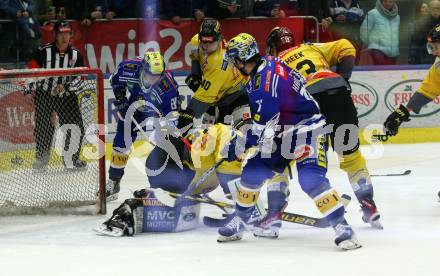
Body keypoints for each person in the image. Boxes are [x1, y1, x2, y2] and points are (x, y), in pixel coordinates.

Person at [217, 33, 361, 250]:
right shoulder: (269, 63)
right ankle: (241, 220)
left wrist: (238, 147)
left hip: (308, 130)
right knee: (253, 171)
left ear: (241, 59)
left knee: (310, 178)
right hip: (283, 132)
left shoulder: (263, 84)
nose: (233, 66)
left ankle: (343, 227)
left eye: (234, 60)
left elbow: (262, 128)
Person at [265, 26, 383, 229]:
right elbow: (346, 47)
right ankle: (368, 204)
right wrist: (343, 77)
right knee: (350, 155)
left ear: (272, 47)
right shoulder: (311, 47)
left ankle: (274, 210)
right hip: (339, 94)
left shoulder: (273, 63)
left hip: (310, 102)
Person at [105, 51, 180, 201]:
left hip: (158, 112)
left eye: (158, 75)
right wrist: (121, 100)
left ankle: (160, 187)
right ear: (143, 69)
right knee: (121, 142)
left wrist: (168, 131)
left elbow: (173, 116)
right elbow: (114, 81)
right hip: (134, 107)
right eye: (150, 75)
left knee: (165, 147)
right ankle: (113, 182)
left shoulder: (168, 87)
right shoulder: (128, 68)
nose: (154, 79)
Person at [24, 20, 86, 171]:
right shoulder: (43, 52)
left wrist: (66, 87)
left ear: (71, 34)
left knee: (75, 127)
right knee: (43, 127)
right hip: (45, 94)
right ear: (55, 35)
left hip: (67, 96)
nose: (64, 37)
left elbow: (81, 78)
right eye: (60, 33)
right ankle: (41, 160)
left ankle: (71, 160)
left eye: (67, 33)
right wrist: (27, 90)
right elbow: (31, 72)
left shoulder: (76, 55)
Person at [179, 18, 250, 136]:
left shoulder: (219, 62)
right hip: (217, 93)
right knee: (209, 137)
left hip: (238, 95)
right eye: (203, 41)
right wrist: (196, 75)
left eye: (210, 42)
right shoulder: (196, 41)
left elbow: (200, 102)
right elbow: (195, 56)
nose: (205, 46)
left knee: (243, 136)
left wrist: (188, 114)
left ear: (219, 39)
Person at [384, 24, 440, 144]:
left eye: (436, 47)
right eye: (431, 47)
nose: (434, 52)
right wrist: (403, 113)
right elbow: (427, 91)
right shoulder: (438, 66)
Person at [360, 0, 400, 65]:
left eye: (390, 1)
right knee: (380, 72)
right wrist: (370, 44)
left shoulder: (397, 17)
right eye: (385, 1)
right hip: (377, 50)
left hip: (393, 52)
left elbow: (396, 34)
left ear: (393, 2)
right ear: (381, 2)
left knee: (391, 74)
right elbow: (364, 30)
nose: (387, 3)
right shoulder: (372, 13)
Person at [409, 0, 440, 64]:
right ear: (429, 9)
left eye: (438, 8)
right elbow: (417, 43)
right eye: (434, 8)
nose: (436, 10)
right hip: (427, 59)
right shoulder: (421, 23)